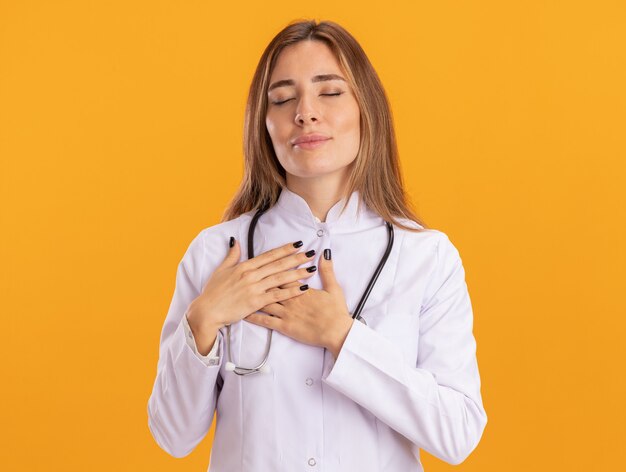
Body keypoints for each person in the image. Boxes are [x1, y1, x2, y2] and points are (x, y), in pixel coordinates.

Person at [147, 19, 487, 471]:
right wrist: (203, 320)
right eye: (283, 98)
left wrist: (344, 338)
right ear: (263, 123)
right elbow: (172, 436)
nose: (305, 112)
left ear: (367, 108)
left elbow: (458, 432)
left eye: (329, 92)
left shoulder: (426, 257)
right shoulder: (216, 254)